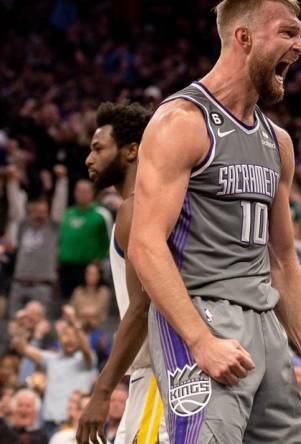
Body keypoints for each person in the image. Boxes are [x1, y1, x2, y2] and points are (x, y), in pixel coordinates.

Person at [127, 1, 301, 442]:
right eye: (288, 33)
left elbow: (282, 258)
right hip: (201, 311)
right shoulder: (181, 122)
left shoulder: (277, 141)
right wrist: (201, 340)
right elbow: (146, 244)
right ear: (243, 38)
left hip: (265, 322)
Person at [78, 101, 169, 444]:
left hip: (161, 377)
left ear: (132, 151)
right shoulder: (152, 204)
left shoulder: (136, 209)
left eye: (98, 148)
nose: (89, 158)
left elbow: (143, 306)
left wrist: (102, 392)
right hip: (157, 377)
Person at [13, 306, 97, 434]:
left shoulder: (85, 360)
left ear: (79, 338)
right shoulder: (51, 358)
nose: (68, 339)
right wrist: (21, 327)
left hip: (76, 424)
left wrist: (74, 321)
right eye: (65, 335)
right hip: (49, 425)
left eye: (72, 335)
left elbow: (86, 348)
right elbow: (22, 348)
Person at [5, 163, 67, 319]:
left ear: (47, 212)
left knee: (40, 325)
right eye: (36, 211)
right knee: (14, 326)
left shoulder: (53, 228)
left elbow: (59, 206)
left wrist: (62, 181)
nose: (39, 215)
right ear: (30, 211)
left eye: (43, 212)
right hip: (18, 284)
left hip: (42, 286)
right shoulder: (23, 226)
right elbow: (14, 208)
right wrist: (12, 182)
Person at [58, 178, 112, 299]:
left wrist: (99, 262)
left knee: (86, 304)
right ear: (74, 193)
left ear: (92, 193)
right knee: (66, 304)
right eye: (79, 191)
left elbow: (109, 241)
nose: (82, 194)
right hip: (66, 267)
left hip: (89, 268)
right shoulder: (68, 213)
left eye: (85, 191)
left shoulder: (101, 214)